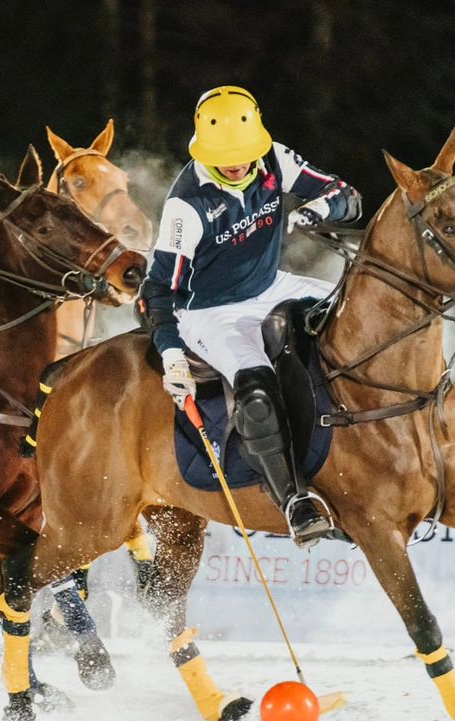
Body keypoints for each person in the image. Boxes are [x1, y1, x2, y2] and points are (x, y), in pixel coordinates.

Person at [139, 86, 362, 546]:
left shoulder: (274, 159)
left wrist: (323, 207)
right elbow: (157, 289)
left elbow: (348, 195)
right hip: (209, 312)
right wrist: (171, 354)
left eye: (244, 153)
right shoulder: (186, 206)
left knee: (360, 312)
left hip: (271, 284)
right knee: (256, 391)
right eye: (227, 156)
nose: (239, 164)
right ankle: (294, 503)